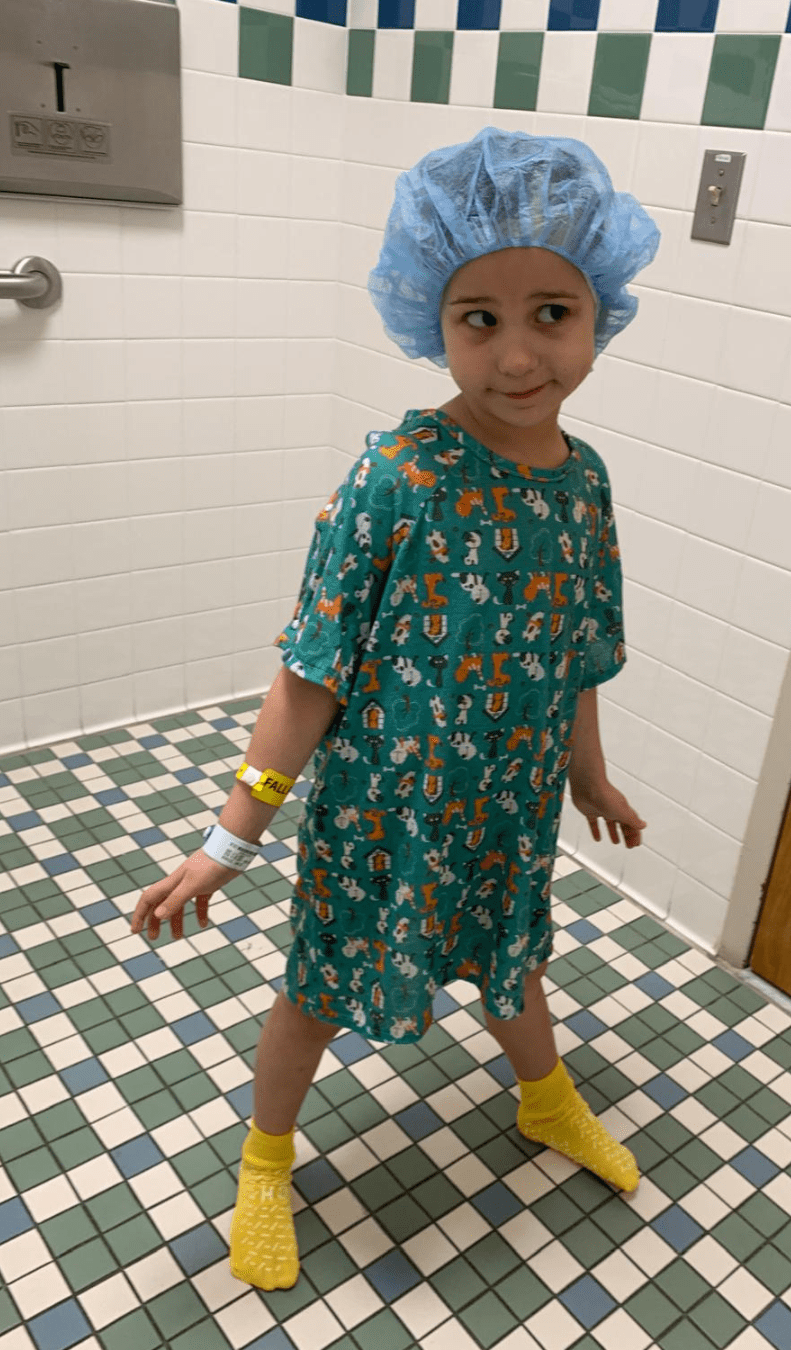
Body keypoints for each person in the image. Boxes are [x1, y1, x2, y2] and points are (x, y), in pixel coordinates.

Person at [131, 126, 660, 1293]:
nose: (519, 356)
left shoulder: (585, 481)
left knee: (512, 961)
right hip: (387, 815)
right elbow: (309, 676)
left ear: (600, 311)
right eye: (480, 318)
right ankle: (266, 1161)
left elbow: (574, 652)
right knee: (318, 993)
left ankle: (546, 1101)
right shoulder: (399, 473)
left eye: (552, 313)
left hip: (507, 807)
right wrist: (229, 840)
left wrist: (587, 774)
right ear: (433, 316)